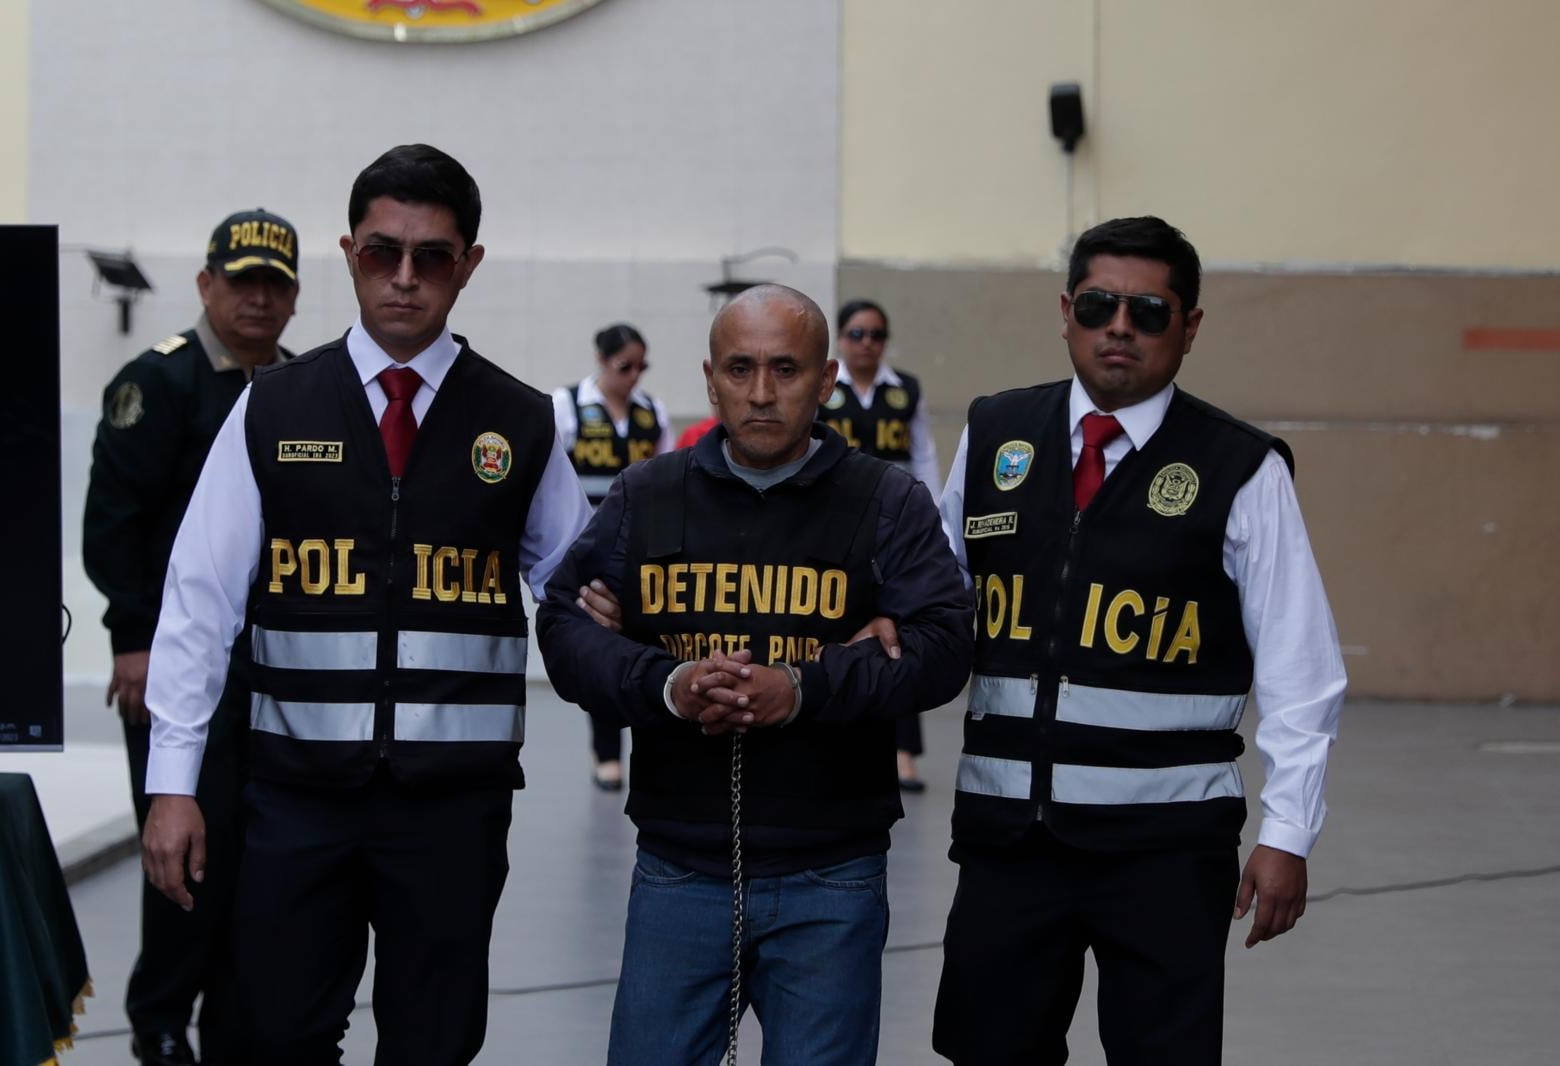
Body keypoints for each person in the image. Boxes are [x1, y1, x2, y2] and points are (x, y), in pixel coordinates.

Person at [138, 144, 590, 1066]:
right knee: (274, 1035)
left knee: (433, 1042)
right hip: (298, 802)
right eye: (384, 253)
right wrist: (173, 783)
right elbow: (199, 602)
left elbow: (581, 591)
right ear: (349, 254)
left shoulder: (520, 421)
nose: (406, 279)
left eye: (433, 257)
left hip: (454, 811)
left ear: (469, 265)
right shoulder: (272, 409)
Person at [931, 216, 1346, 1065]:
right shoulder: (995, 434)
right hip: (1010, 841)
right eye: (1098, 304)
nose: (1119, 326)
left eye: (1148, 311)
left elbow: (1303, 671)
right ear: (1066, 312)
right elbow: (931, 600)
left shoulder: (1240, 468)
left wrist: (1287, 834)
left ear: (1188, 328)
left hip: (1165, 852)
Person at [536, 284, 973, 1066]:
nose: (762, 393)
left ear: (827, 378)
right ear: (710, 378)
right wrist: (665, 684)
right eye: (740, 369)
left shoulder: (887, 501)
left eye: (785, 369)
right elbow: (564, 622)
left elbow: (944, 643)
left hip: (831, 876)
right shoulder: (648, 494)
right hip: (679, 868)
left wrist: (804, 687)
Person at [83, 207, 300, 1066]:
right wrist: (132, 638)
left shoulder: (303, 388)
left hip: (277, 670)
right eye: (240, 280)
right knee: (186, 850)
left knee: (261, 861)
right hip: (174, 665)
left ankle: (237, 1023)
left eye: (273, 284)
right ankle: (162, 1020)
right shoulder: (162, 383)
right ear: (206, 284)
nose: (255, 298)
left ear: (292, 298)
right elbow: (114, 524)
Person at [820, 299, 943, 792]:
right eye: (855, 334)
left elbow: (925, 456)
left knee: (900, 629)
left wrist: (932, 520)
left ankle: (904, 751)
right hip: (834, 525)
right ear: (841, 340)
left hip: (893, 527)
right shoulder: (826, 389)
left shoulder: (905, 390)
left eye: (875, 334)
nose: (866, 344)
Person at [551, 324, 674, 789]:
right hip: (591, 549)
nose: (634, 376)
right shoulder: (568, 407)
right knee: (602, 648)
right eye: (626, 367)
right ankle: (606, 754)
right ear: (602, 361)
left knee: (645, 644)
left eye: (642, 366)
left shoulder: (651, 411)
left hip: (643, 550)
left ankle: (646, 746)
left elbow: (666, 478)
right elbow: (553, 483)